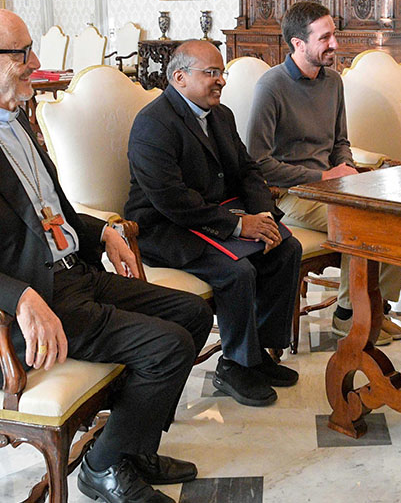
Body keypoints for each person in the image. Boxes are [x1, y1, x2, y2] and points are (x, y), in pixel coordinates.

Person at [0, 5, 214, 503]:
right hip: (19, 308)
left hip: (69, 275)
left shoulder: (13, 119)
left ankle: (133, 449)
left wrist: (102, 230)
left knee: (194, 313)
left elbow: (45, 215)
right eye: (22, 52)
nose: (35, 60)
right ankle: (105, 468)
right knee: (167, 344)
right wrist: (20, 296)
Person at [125, 40, 302, 408]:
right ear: (179, 77)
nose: (221, 81)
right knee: (236, 272)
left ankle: (259, 355)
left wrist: (263, 215)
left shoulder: (220, 115)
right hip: (165, 227)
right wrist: (238, 227)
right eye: (211, 73)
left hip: (212, 214)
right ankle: (234, 366)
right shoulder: (153, 123)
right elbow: (171, 198)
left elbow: (248, 170)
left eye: (222, 72)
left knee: (286, 248)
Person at [247, 1, 401, 346]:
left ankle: (378, 309)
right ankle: (348, 316)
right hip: (290, 194)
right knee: (361, 221)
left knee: (398, 215)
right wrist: (322, 178)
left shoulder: (333, 81)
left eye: (334, 35)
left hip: (333, 185)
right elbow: (258, 162)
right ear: (298, 44)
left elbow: (340, 142)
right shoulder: (271, 87)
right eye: (325, 37)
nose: (335, 44)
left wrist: (345, 165)